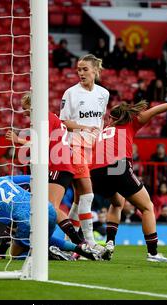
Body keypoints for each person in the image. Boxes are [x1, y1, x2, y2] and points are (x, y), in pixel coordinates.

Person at [90, 89, 167, 262]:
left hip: (96, 171)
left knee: (117, 202)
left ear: (111, 118)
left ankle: (110, 244)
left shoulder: (104, 131)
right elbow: (154, 111)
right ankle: (153, 253)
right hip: (117, 166)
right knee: (147, 207)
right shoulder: (131, 123)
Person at [0, 163, 102, 261]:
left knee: (15, 254)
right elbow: (30, 177)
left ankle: (46, 253)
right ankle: (79, 248)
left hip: (25, 221)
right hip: (46, 209)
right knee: (40, 236)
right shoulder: (2, 179)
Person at [6, 92, 93, 249]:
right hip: (59, 165)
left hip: (58, 165)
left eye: (26, 109)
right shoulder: (50, 118)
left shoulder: (44, 118)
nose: (24, 113)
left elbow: (42, 144)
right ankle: (7, 247)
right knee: (37, 205)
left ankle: (80, 242)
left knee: (51, 206)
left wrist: (18, 140)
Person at [59, 54, 110, 247]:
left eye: (85, 69)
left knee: (80, 198)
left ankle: (67, 242)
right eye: (79, 69)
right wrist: (83, 127)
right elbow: (63, 121)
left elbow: (100, 120)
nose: (81, 73)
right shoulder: (70, 93)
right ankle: (89, 242)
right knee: (88, 193)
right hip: (74, 146)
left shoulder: (104, 94)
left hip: (93, 148)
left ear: (96, 70)